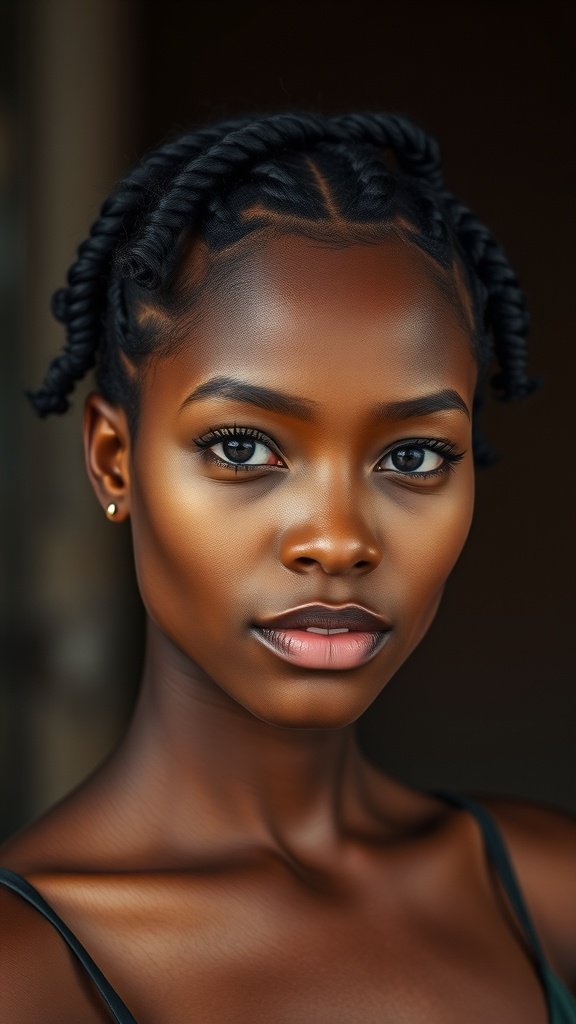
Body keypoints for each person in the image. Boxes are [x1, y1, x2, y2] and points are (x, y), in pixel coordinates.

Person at [1, 111, 575, 1023]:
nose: (340, 540)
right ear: (115, 460)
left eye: (415, 457)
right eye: (241, 448)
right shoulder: (28, 969)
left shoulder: (546, 895)